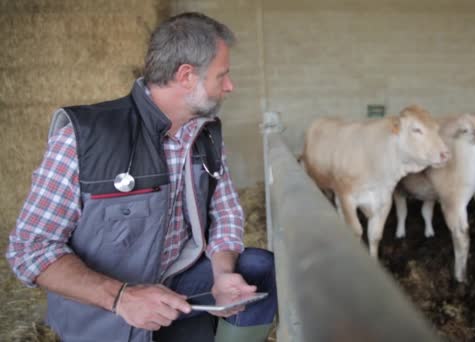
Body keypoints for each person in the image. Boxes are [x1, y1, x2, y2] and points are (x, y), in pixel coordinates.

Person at [6, 12, 277, 342]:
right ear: (187, 76)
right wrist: (122, 297)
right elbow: (29, 249)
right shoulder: (85, 138)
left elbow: (227, 214)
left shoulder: (204, 136)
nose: (230, 86)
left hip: (178, 286)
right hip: (107, 306)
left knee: (258, 267)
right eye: (222, 76)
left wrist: (222, 275)